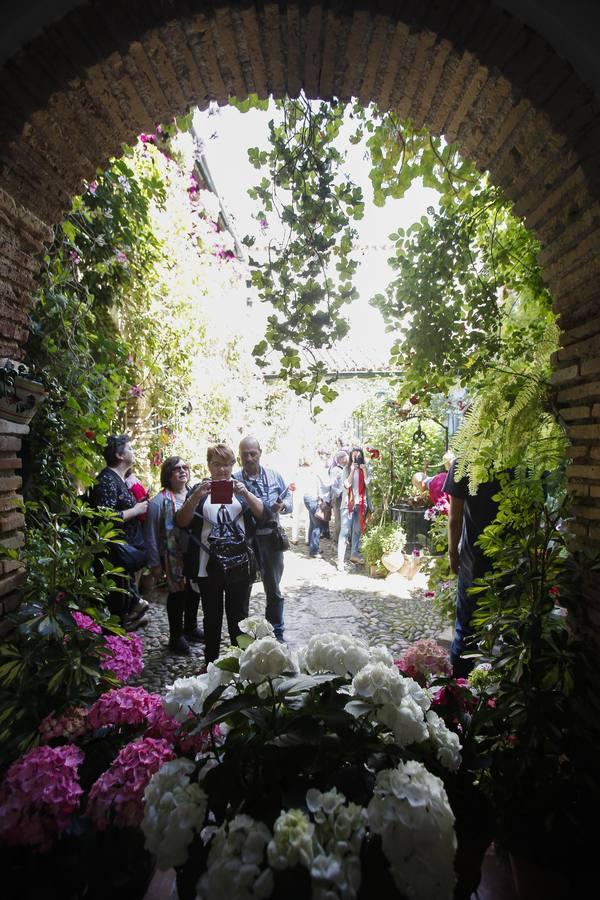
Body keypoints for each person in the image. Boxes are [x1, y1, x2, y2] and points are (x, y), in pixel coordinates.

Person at [176, 443, 265, 665]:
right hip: (208, 566)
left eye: (227, 464)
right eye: (217, 464)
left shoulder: (242, 490)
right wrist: (196, 496)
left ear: (233, 464)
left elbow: (265, 516)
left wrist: (245, 493)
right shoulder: (199, 490)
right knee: (211, 619)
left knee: (239, 619)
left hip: (240, 566)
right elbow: (181, 521)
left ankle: (241, 665)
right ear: (209, 466)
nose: (222, 470)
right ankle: (211, 664)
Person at [444, 459, 500, 678]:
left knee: (466, 633)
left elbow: (454, 518)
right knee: (513, 633)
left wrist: (452, 553)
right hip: (512, 560)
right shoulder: (519, 461)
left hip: (473, 562)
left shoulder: (465, 461)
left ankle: (457, 696)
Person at [144, 456, 204, 655]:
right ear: (167, 475)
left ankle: (191, 627)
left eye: (185, 467)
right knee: (177, 595)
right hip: (172, 557)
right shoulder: (158, 502)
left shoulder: (196, 494)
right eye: (176, 469)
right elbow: (151, 535)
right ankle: (176, 635)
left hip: (194, 553)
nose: (182, 471)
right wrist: (154, 564)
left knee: (194, 591)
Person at [234, 436, 292, 642]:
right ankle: (242, 636)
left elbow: (289, 502)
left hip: (271, 539)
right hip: (244, 542)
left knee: (273, 588)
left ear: (260, 452)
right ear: (239, 455)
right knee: (242, 591)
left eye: (253, 453)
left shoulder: (275, 476)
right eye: (244, 454)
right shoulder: (234, 480)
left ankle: (276, 633)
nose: (249, 458)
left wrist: (282, 506)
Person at [94, 435, 149, 629]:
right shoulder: (107, 479)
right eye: (130, 448)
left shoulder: (118, 479)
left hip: (122, 553)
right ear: (119, 455)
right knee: (117, 607)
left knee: (125, 607)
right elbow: (104, 517)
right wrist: (135, 510)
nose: (133, 452)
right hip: (113, 555)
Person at [337, 447, 370, 568]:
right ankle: (340, 560)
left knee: (356, 531)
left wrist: (364, 470)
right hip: (347, 504)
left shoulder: (365, 469)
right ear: (351, 457)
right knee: (345, 532)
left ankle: (354, 555)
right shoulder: (346, 469)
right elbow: (346, 485)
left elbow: (368, 483)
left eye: (359, 456)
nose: (356, 458)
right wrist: (352, 471)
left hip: (361, 504)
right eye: (354, 456)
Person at [303, 450, 333, 559]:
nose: (329, 459)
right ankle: (314, 551)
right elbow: (326, 483)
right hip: (314, 499)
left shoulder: (315, 466)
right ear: (323, 457)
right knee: (317, 525)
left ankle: (313, 547)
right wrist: (336, 479)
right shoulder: (321, 468)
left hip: (309, 497)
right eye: (327, 456)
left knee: (313, 523)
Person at [329, 449, 349, 543]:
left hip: (348, 497)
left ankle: (345, 537)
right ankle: (337, 538)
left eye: (345, 458)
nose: (344, 461)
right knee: (338, 519)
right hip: (338, 498)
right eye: (342, 459)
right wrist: (340, 493)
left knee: (347, 519)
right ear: (338, 460)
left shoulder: (349, 468)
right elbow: (332, 485)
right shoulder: (335, 470)